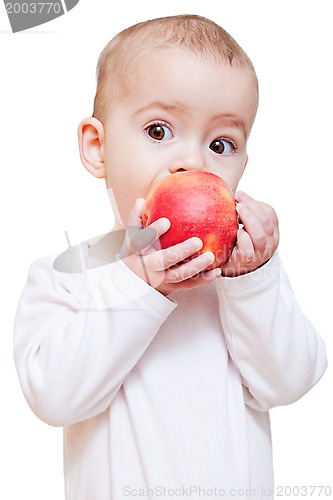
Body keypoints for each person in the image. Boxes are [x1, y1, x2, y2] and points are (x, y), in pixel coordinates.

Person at [14, 14, 327, 500]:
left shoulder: (238, 279)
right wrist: (137, 284)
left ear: (244, 163)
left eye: (221, 144)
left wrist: (256, 279)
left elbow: (290, 381)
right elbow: (53, 397)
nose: (194, 163)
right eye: (159, 131)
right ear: (98, 147)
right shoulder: (70, 275)